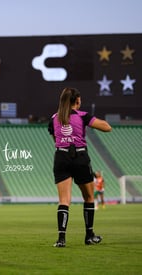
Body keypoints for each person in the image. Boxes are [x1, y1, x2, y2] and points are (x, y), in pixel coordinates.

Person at [48, 87, 111, 247]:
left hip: (61, 156)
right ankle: (89, 235)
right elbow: (107, 127)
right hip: (80, 156)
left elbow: (55, 137)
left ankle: (61, 239)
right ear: (77, 101)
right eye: (80, 100)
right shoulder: (82, 116)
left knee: (64, 200)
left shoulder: (54, 118)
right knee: (89, 197)